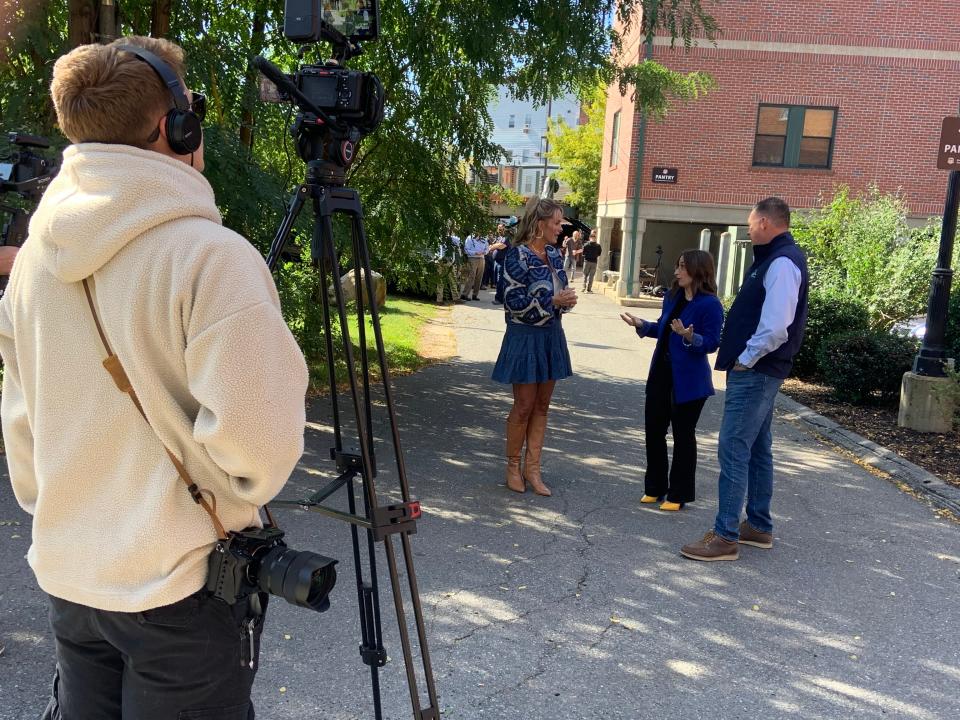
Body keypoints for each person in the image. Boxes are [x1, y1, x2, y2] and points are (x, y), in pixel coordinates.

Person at [0, 37, 309, 718]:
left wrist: (75, 513)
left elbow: (22, 432)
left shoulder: (30, 265)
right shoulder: (210, 259)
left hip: (72, 578)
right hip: (179, 588)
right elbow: (259, 449)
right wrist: (222, 503)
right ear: (178, 126)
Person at [681, 197, 809, 561]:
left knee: (734, 447)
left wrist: (745, 360)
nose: (749, 228)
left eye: (752, 223)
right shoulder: (777, 259)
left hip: (757, 371)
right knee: (756, 448)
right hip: (761, 370)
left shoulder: (782, 262)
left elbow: (776, 327)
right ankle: (757, 526)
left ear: (767, 223)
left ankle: (725, 537)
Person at [621, 250, 724, 511]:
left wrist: (690, 337)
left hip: (689, 380)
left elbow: (711, 343)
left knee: (683, 435)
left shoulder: (710, 304)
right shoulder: (672, 296)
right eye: (677, 266)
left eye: (682, 267)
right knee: (654, 432)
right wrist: (642, 325)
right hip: (661, 373)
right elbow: (663, 329)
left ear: (698, 271)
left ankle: (678, 493)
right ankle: (655, 488)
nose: (676, 272)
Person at [491, 197, 578, 497]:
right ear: (539, 224)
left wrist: (565, 301)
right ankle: (513, 466)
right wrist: (553, 302)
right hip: (525, 338)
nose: (561, 228)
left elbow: (559, 293)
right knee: (524, 406)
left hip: (551, 337)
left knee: (542, 406)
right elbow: (512, 302)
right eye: (556, 222)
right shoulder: (517, 256)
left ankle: (533, 469)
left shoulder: (554, 255)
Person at [434, 234, 461, 304]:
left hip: (447, 261)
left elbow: (458, 242)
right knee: (442, 281)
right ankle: (440, 300)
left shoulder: (452, 238)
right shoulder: (439, 238)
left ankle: (455, 298)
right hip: (442, 261)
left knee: (451, 280)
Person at [460, 231, 487, 301]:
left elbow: (487, 248)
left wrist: (485, 252)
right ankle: (464, 294)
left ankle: (475, 295)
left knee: (479, 277)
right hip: (473, 258)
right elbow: (466, 250)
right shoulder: (469, 238)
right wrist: (475, 252)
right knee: (471, 276)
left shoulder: (484, 238)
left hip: (482, 258)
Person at [489, 223, 509, 304]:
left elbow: (501, 246)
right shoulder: (499, 237)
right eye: (498, 228)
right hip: (496, 261)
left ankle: (499, 299)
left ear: (505, 228)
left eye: (501, 228)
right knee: (497, 280)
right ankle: (499, 298)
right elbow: (490, 246)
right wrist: (495, 245)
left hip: (503, 261)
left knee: (500, 280)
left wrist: (495, 246)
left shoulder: (507, 237)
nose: (499, 230)